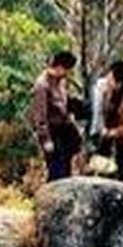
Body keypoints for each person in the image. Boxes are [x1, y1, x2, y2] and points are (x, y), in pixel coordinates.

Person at [30, 50, 79, 182]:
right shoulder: (42, 85)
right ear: (59, 67)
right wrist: (46, 139)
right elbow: (40, 115)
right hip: (52, 132)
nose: (68, 74)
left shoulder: (61, 82)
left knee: (66, 171)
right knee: (56, 171)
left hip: (64, 131)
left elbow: (63, 104)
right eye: (67, 70)